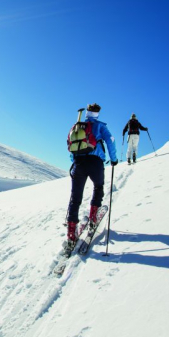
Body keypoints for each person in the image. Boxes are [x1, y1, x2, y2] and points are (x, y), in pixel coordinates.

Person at [66, 103, 118, 250]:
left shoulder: (78, 126)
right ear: (97, 113)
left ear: (87, 112)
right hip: (95, 163)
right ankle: (94, 217)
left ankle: (71, 234)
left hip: (78, 164)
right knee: (98, 186)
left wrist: (75, 161)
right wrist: (113, 159)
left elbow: (71, 147)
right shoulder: (100, 126)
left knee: (75, 197)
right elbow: (110, 141)